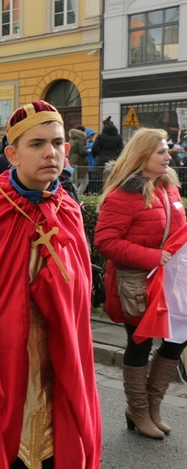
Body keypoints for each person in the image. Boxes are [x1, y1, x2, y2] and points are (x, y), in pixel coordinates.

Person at [0, 100, 102, 468]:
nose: (51, 152)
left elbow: (78, 291)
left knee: (57, 443)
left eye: (58, 143)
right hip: (4, 354)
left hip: (59, 347)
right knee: (6, 443)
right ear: (12, 154)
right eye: (37, 144)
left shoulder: (69, 209)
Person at [94, 128, 187, 440]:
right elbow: (105, 241)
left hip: (171, 281)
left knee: (177, 339)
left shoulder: (169, 186)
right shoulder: (123, 194)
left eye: (166, 151)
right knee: (140, 342)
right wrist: (151, 256)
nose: (168, 156)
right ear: (142, 155)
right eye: (160, 152)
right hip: (136, 283)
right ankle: (137, 408)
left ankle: (152, 406)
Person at [90, 117, 124, 194]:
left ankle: (97, 195)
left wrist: (96, 156)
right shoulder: (118, 137)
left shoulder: (100, 136)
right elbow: (122, 150)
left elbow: (94, 148)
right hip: (113, 160)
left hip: (100, 160)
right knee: (112, 179)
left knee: (97, 180)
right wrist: (117, 157)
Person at [68, 126, 89, 194]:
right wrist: (88, 151)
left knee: (74, 181)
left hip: (71, 161)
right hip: (80, 162)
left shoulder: (71, 139)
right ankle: (78, 195)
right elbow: (82, 152)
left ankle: (74, 195)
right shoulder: (80, 140)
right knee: (85, 181)